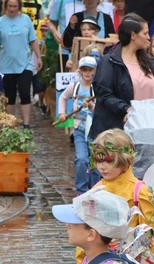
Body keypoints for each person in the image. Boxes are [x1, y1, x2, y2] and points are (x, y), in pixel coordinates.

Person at [85, 129, 154, 257]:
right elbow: (86, 235)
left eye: (108, 161)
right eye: (98, 160)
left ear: (124, 160)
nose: (102, 166)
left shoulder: (141, 192)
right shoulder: (95, 192)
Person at [88, 14, 154, 140]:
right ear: (133, 35)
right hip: (117, 135)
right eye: (145, 33)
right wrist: (127, 109)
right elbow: (104, 95)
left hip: (148, 130)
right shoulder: (109, 62)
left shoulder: (149, 62)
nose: (149, 38)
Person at [0, 0, 42, 128]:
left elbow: (33, 40)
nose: (12, 9)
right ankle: (11, 124)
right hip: (7, 65)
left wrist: (38, 57)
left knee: (25, 93)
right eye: (10, 6)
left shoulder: (26, 20)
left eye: (15, 6)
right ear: (5, 6)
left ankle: (26, 124)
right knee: (10, 96)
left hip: (25, 63)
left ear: (19, 7)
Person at [59, 56, 101, 193]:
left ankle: (95, 189)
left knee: (96, 161)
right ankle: (81, 190)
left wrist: (91, 106)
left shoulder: (98, 88)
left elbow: (102, 109)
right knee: (82, 159)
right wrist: (62, 113)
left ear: (96, 71)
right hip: (79, 129)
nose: (88, 73)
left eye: (91, 70)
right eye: (85, 70)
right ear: (80, 71)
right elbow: (63, 97)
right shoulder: (75, 87)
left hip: (96, 131)